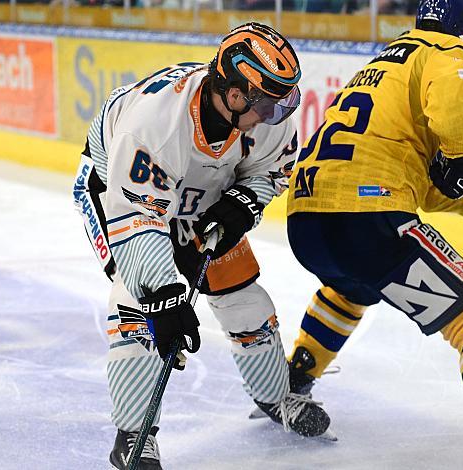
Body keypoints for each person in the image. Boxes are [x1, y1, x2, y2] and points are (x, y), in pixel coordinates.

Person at [284, 0, 463, 468]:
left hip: (308, 219)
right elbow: (455, 121)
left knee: (352, 287)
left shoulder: (383, 65)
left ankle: (292, 381)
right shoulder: (448, 51)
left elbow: (427, 180)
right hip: (370, 214)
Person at [72, 22, 330, 470]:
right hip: (119, 193)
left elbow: (271, 173)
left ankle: (273, 398)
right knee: (136, 309)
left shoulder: (263, 120)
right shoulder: (152, 125)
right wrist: (164, 298)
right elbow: (136, 222)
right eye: (268, 104)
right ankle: (133, 435)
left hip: (200, 195)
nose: (277, 116)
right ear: (233, 95)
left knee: (244, 299)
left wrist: (244, 201)